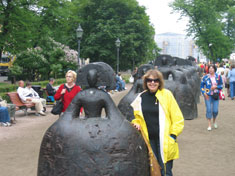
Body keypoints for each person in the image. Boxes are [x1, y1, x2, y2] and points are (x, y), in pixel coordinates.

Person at [131, 69, 184, 176]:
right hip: (149, 141)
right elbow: (137, 117)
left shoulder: (167, 95)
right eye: (149, 80)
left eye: (156, 80)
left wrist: (172, 136)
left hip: (165, 140)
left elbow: (178, 118)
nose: (152, 83)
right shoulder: (141, 97)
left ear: (160, 82)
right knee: (154, 170)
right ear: (145, 82)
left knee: (166, 171)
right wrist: (136, 122)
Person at [200, 64, 223, 131]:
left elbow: (221, 85)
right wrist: (205, 93)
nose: (210, 69)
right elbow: (201, 87)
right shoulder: (205, 77)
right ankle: (209, 124)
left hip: (215, 95)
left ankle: (214, 121)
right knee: (209, 109)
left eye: (212, 68)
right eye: (209, 68)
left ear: (214, 69)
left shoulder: (218, 77)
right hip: (208, 96)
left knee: (215, 111)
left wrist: (216, 87)